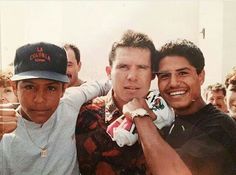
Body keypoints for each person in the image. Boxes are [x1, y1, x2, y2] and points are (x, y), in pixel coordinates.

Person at [123, 39, 236, 175]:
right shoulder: (169, 121)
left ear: (201, 76)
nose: (174, 83)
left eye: (183, 73)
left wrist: (139, 114)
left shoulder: (220, 126)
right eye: (165, 76)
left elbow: (172, 172)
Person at [0, 42, 110, 175]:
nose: (40, 99)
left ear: (64, 89)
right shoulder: (4, 131)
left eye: (51, 88)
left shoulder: (69, 103)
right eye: (29, 87)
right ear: (15, 88)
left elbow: (102, 84)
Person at [75, 30, 174, 175]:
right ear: (109, 72)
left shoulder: (167, 117)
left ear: (152, 75)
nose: (132, 76)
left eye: (141, 67)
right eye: (123, 67)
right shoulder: (84, 116)